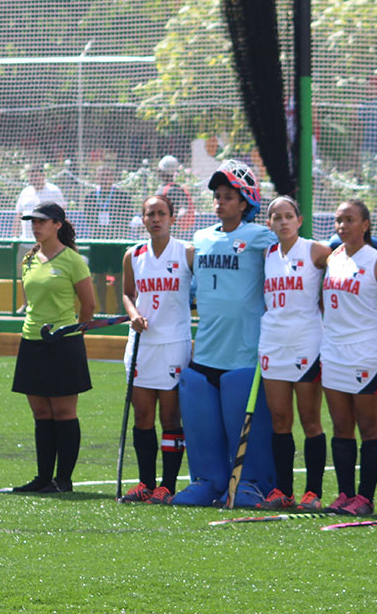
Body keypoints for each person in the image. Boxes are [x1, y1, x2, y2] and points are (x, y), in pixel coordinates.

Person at [171, 160, 278, 507]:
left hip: (244, 353)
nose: (219, 202)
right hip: (205, 353)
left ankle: (251, 482)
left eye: (228, 196)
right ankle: (208, 480)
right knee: (203, 424)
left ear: (245, 202)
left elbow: (305, 250)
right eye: (217, 196)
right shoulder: (200, 239)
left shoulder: (261, 237)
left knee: (242, 422)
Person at [319, 199, 377, 516]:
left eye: (349, 220)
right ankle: (345, 494)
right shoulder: (332, 257)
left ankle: (365, 498)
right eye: (339, 220)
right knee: (341, 426)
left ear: (365, 225)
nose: (342, 226)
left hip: (367, 351)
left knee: (368, 426)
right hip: (334, 351)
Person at [11, 202, 96, 494]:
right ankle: (43, 477)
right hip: (32, 341)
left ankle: (63, 480)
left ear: (58, 224)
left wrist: (74, 335)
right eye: (33, 221)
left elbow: (89, 305)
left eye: (42, 221)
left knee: (63, 412)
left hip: (63, 343)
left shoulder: (73, 260)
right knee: (40, 412)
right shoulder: (29, 259)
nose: (35, 226)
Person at [255, 196, 331, 510]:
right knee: (280, 420)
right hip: (272, 342)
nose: (283, 222)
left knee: (310, 420)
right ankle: (282, 491)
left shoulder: (316, 250)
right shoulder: (266, 254)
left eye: (288, 216)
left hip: (307, 344)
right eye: (276, 217)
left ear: (299, 220)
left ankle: (313, 492)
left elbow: (353, 263)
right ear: (269, 223)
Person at [118, 194, 192, 504]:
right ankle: (145, 482)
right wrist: (133, 315)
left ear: (172, 218)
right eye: (150, 214)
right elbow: (126, 294)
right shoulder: (133, 254)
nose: (156, 219)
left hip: (174, 343)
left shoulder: (187, 253)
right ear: (143, 219)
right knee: (143, 417)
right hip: (141, 345)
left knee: (171, 419)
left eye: (162, 213)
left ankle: (168, 485)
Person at [13, 164, 67, 264]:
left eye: (37, 176)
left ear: (43, 176)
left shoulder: (54, 191)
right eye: (32, 176)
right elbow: (18, 215)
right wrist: (15, 237)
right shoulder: (25, 192)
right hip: (26, 243)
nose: (35, 179)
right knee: (24, 274)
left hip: (48, 244)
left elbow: (62, 215)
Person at [156, 155, 195, 236]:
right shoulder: (178, 189)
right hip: (173, 231)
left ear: (161, 171)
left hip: (163, 231)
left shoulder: (165, 190)